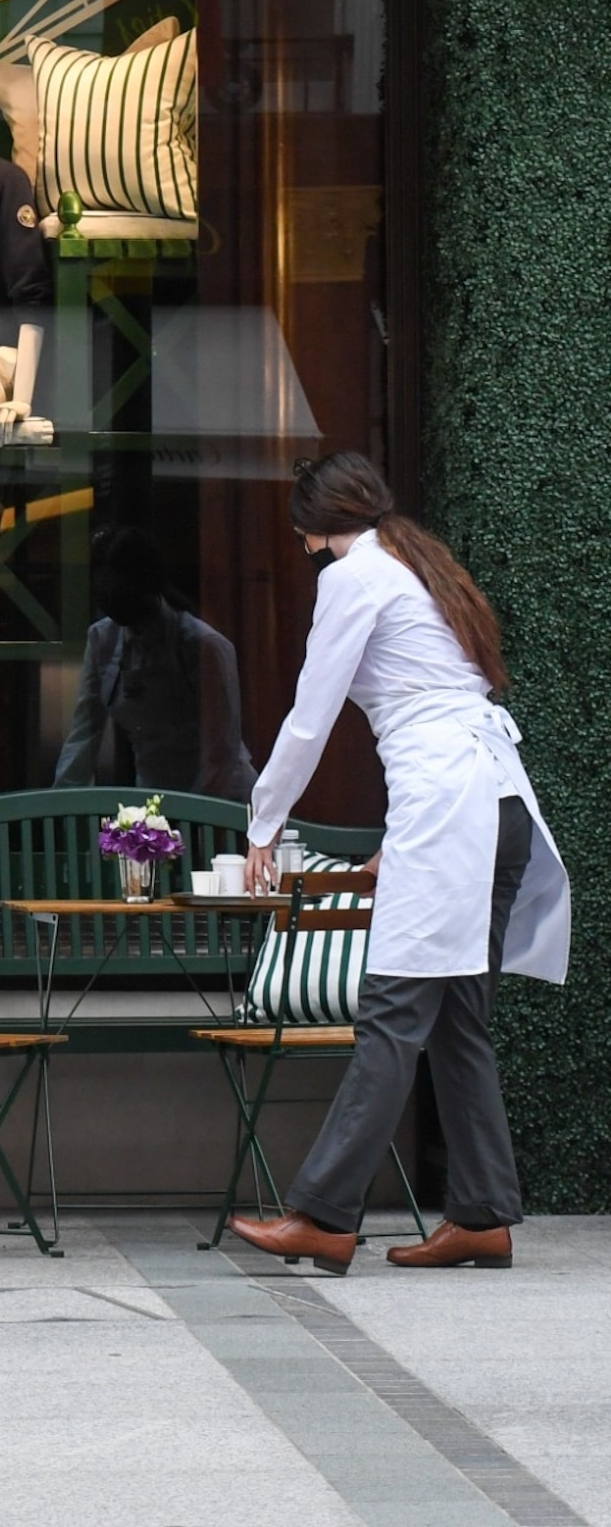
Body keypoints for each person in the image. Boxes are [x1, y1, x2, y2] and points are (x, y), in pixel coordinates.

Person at [228, 454, 573, 1273]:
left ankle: (322, 1215)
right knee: (456, 1021)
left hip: (450, 805)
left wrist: (262, 824)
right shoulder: (417, 566)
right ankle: (483, 1214)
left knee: (392, 1015)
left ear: (312, 530)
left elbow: (311, 719)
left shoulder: (355, 578)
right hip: (495, 803)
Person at [52, 526, 258, 799]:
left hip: (220, 800)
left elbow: (220, 751)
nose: (107, 597)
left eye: (115, 587)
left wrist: (195, 821)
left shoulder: (203, 645)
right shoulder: (102, 639)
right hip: (155, 798)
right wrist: (61, 804)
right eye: (100, 586)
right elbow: (84, 733)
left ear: (144, 584)